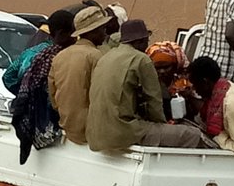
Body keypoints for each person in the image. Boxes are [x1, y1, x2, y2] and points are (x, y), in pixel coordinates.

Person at [87, 20, 208, 153]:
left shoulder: (106, 57)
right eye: (146, 41)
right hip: (122, 131)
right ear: (141, 41)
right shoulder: (141, 59)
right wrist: (163, 126)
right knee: (192, 135)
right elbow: (154, 102)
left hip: (96, 133)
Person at [11, 11, 77, 163]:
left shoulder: (40, 54)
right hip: (51, 119)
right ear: (61, 34)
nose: (76, 37)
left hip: (37, 116)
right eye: (73, 32)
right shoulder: (62, 57)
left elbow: (10, 77)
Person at [48, 5, 111, 146]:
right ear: (92, 32)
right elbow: (102, 96)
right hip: (89, 131)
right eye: (102, 29)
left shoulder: (59, 56)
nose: (105, 34)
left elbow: (53, 96)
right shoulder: (97, 56)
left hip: (66, 125)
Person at [187, 56, 234, 154]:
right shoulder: (218, 91)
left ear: (205, 82)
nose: (195, 89)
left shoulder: (232, 104)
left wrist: (217, 136)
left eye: (195, 85)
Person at [3, 8, 74, 95]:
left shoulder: (31, 52)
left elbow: (8, 76)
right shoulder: (64, 55)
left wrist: (23, 93)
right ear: (62, 33)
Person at [147, 41, 196, 120]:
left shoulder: (184, 85)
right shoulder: (147, 85)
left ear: (174, 66)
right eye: (157, 68)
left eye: (166, 67)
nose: (162, 71)